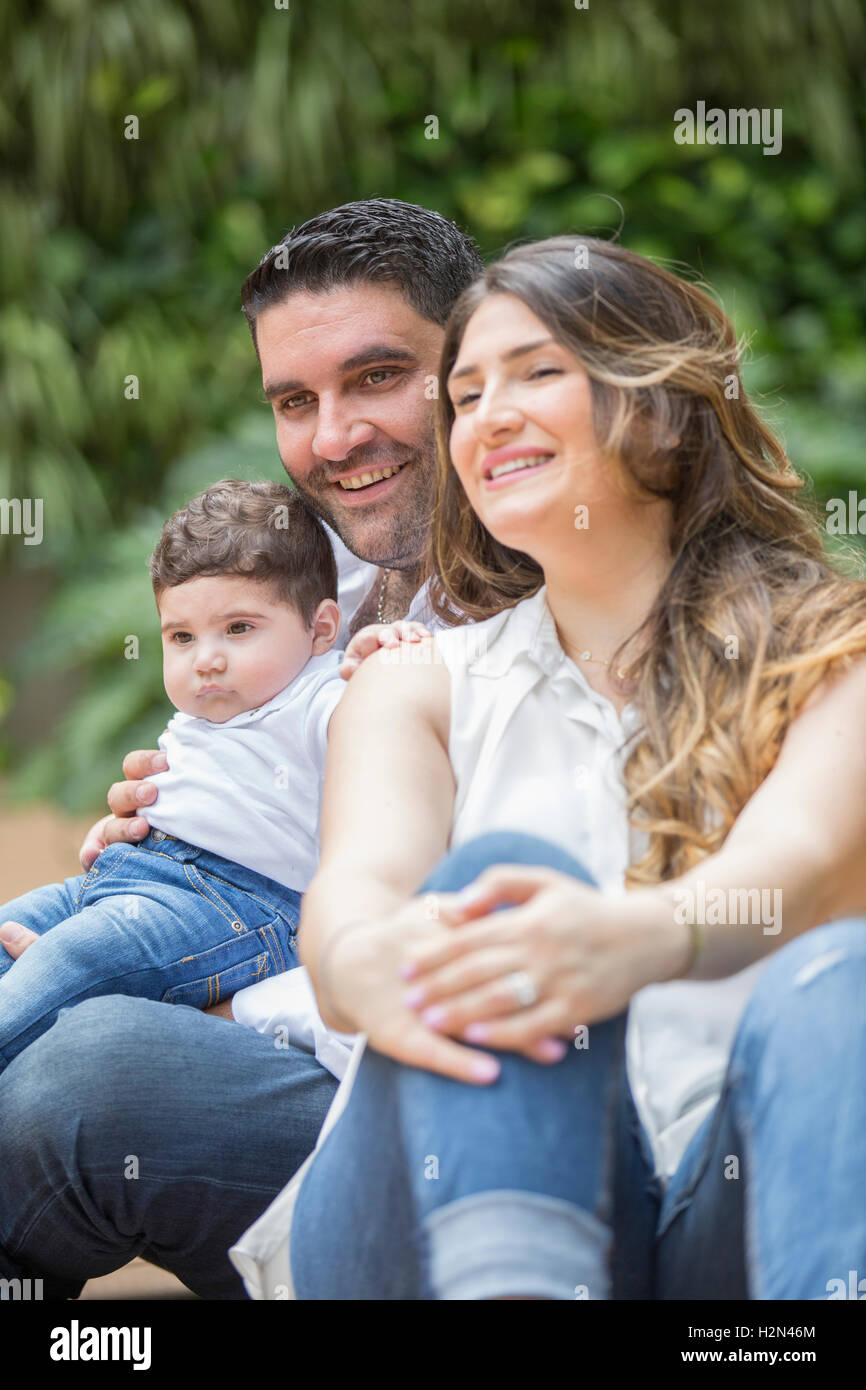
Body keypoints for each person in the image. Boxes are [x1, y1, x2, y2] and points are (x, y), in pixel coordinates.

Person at [283, 234, 866, 1300]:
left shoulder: (834, 654)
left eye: (537, 370)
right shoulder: (412, 685)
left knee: (838, 981)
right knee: (492, 885)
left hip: (718, 1223)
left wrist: (626, 942)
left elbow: (800, 863)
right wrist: (362, 963)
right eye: (463, 395)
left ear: (660, 402)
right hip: (417, 1225)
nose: (486, 415)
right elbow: (348, 903)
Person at [0, 199, 484, 1298]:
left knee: (90, 1068)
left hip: (428, 1097)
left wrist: (211, 992)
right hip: (261, 977)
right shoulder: (324, 584)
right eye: (293, 400)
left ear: (468, 364)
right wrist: (162, 832)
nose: (332, 437)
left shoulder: (539, 615)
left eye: (374, 378)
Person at [0, 478, 427, 1070]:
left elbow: (384, 716)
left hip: (239, 904)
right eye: (181, 637)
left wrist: (385, 652)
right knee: (12, 929)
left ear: (323, 628)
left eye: (238, 629)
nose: (206, 659)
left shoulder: (320, 695)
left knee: (70, 964)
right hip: (133, 877)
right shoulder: (208, 706)